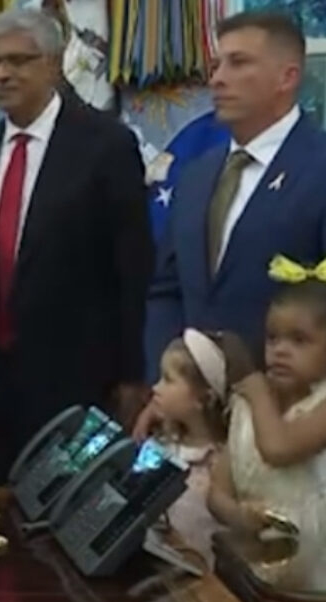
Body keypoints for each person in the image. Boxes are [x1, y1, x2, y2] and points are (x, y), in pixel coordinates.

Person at [0, 9, 152, 485]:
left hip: (75, 384)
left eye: (18, 61)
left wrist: (132, 375)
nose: (2, 74)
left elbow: (132, 268)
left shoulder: (106, 145)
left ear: (53, 64)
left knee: (65, 533)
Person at [145, 11, 326, 384]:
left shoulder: (318, 167)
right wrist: (163, 384)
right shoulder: (195, 175)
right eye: (215, 65)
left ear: (287, 77)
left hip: (293, 415)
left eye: (238, 63)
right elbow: (167, 290)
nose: (217, 79)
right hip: (194, 416)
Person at [209, 255, 326, 539]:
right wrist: (237, 515)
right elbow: (217, 492)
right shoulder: (246, 406)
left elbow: (278, 449)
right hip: (256, 572)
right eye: (273, 338)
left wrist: (260, 395)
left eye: (299, 340)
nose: (280, 350)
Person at [147, 329, 237, 563]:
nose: (156, 388)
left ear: (204, 398)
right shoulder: (159, 446)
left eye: (167, 379)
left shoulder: (222, 463)